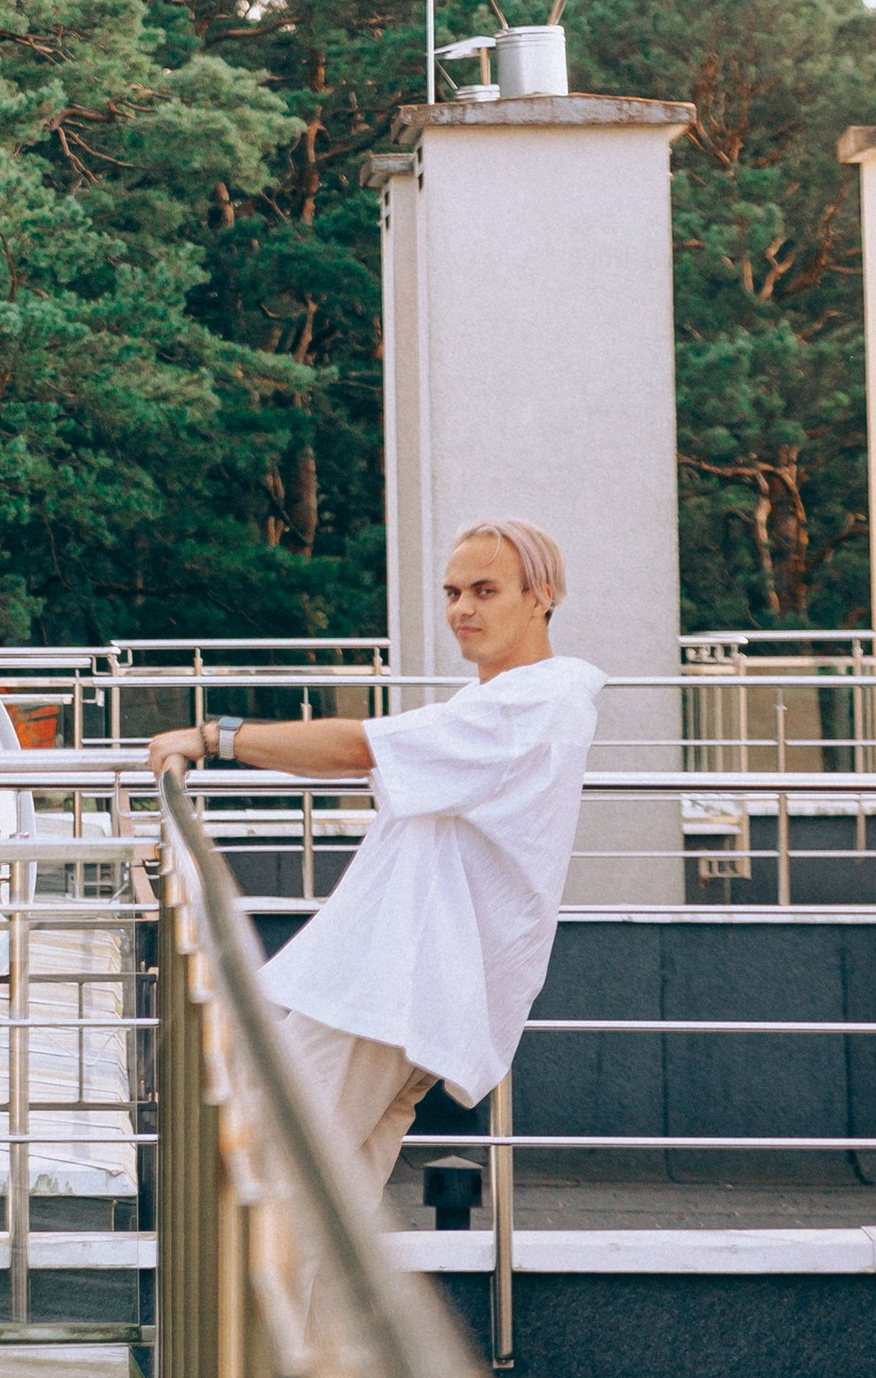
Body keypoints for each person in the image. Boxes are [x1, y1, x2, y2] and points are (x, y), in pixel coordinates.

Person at [146, 518, 600, 1219]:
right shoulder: (510, 702)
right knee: (330, 1208)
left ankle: (268, 1298)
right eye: (452, 592)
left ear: (541, 597)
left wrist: (215, 737)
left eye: (485, 590)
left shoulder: (529, 706)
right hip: (408, 990)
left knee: (263, 1173)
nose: (462, 609)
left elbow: (359, 748)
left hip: (395, 989)